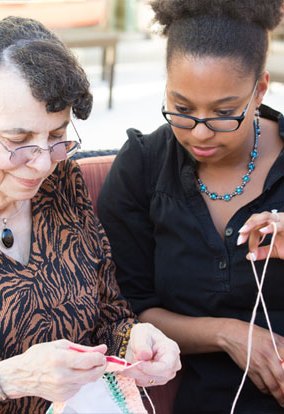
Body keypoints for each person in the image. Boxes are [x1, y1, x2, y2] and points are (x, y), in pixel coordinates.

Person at [0, 16, 181, 414]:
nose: (42, 163)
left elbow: (108, 316)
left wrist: (137, 337)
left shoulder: (62, 183)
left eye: (57, 136)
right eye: (18, 141)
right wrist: (8, 379)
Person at [97, 0, 284, 413]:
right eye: (182, 108)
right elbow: (127, 311)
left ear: (260, 90)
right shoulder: (142, 168)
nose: (199, 131)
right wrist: (231, 334)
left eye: (223, 113)